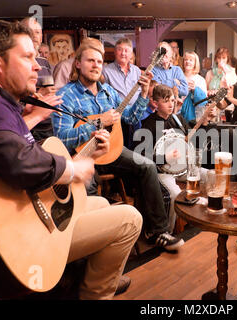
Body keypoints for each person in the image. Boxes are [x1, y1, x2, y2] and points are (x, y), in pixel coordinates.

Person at [0, 20, 141, 300]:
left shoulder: (1, 105)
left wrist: (33, 121)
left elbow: (12, 148)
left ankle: (89, 277)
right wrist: (70, 169)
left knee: (101, 202)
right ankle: (95, 293)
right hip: (13, 238)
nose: (37, 66)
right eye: (27, 57)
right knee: (130, 219)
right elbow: (18, 160)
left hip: (28, 212)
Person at [51, 40, 184, 252]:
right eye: (90, 61)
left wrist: (142, 94)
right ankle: (98, 245)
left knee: (147, 166)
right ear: (77, 64)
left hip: (113, 151)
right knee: (87, 185)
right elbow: (61, 137)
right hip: (85, 157)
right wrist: (98, 123)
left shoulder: (108, 92)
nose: (96, 65)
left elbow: (130, 119)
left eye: (99, 61)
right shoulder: (66, 96)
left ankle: (157, 232)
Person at [141, 84, 210, 232]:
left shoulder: (178, 120)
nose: (171, 104)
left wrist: (203, 122)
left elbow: (190, 141)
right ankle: (168, 232)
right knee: (174, 194)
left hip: (183, 169)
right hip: (162, 172)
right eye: (166, 101)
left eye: (172, 100)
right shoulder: (148, 125)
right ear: (155, 103)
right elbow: (143, 158)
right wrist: (165, 157)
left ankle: (204, 219)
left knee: (211, 175)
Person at [102, 37, 143, 149]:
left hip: (135, 116)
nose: (123, 53)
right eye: (120, 50)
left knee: (137, 149)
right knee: (120, 149)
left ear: (131, 54)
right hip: (117, 119)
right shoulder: (105, 71)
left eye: (126, 50)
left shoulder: (137, 71)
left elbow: (141, 93)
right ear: (115, 52)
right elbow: (102, 95)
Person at [20, 17, 56, 141]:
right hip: (27, 124)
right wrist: (39, 94)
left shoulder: (44, 62)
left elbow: (50, 89)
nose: (35, 35)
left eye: (38, 32)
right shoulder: (18, 61)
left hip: (48, 123)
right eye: (31, 31)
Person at [180, 51, 208, 122]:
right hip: (178, 112)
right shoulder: (178, 76)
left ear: (195, 63)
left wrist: (195, 89)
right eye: (186, 60)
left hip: (194, 116)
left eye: (191, 60)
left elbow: (204, 101)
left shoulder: (200, 80)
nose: (188, 62)